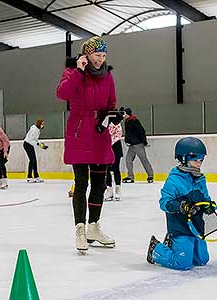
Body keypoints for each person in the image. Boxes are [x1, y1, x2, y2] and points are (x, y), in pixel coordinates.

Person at [56, 36, 116, 253]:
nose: (100, 60)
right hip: (80, 131)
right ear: (86, 55)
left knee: (100, 184)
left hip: (100, 133)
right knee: (81, 183)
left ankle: (93, 227)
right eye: (97, 55)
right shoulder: (73, 72)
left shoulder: (108, 76)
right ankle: (80, 228)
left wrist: (112, 117)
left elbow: (111, 102)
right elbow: (63, 94)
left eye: (103, 56)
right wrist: (78, 71)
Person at [147, 137, 212, 270]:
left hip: (196, 227)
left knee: (202, 260)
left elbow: (206, 197)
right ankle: (155, 249)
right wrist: (181, 206)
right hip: (180, 227)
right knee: (182, 263)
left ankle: (173, 245)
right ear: (183, 159)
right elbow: (164, 203)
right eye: (195, 160)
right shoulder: (174, 180)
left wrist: (208, 205)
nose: (199, 163)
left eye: (201, 160)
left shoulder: (200, 179)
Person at [122, 107, 154, 183]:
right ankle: (130, 176)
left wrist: (144, 142)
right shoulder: (127, 121)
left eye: (124, 113)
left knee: (143, 159)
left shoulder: (134, 121)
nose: (123, 115)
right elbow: (128, 133)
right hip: (131, 145)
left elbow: (142, 131)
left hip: (138, 144)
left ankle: (150, 175)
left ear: (127, 114)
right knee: (128, 160)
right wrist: (127, 140)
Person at [104, 112, 124, 201]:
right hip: (105, 148)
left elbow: (119, 134)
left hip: (115, 147)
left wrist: (110, 142)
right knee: (107, 169)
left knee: (116, 168)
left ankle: (118, 188)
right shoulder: (104, 121)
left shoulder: (117, 122)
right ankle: (109, 189)